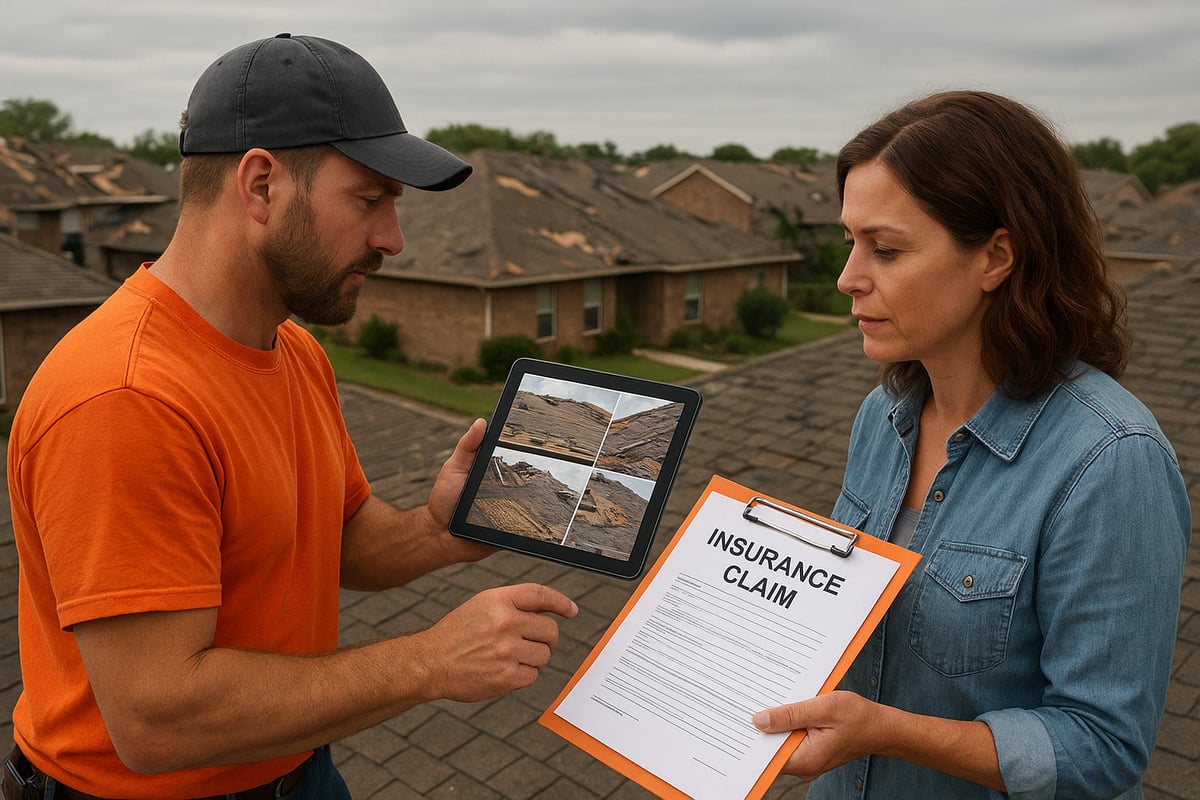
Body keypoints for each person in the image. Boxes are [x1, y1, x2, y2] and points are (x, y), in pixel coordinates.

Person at [4, 33, 577, 800]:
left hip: (295, 766)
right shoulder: (127, 397)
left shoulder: (292, 349)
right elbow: (155, 721)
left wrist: (442, 530)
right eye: (369, 200)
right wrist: (430, 661)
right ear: (261, 185)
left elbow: (335, 543)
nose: (393, 240)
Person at [752, 90, 1190, 798]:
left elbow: (1105, 746)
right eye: (850, 243)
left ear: (996, 258)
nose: (847, 278)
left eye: (885, 249)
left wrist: (888, 732)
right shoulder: (883, 413)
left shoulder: (1111, 461)